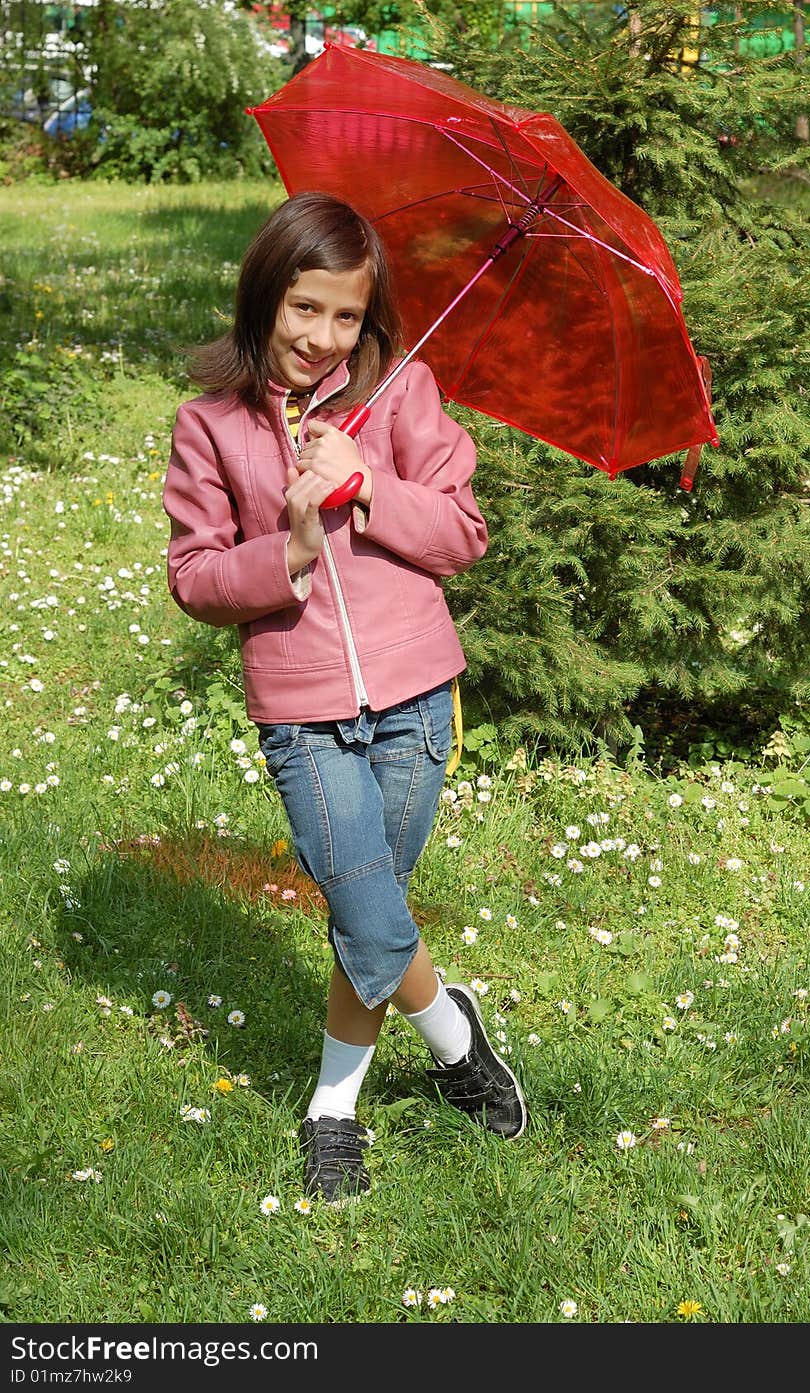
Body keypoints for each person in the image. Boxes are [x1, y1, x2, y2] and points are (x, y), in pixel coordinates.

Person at [162, 192, 527, 1204]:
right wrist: (286, 549)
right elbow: (194, 578)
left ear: (371, 322)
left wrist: (368, 485)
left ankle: (333, 1110)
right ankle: (449, 1038)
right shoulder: (211, 427)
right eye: (303, 307)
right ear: (264, 295)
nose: (321, 338)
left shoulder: (403, 398)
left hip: (416, 702)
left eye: (347, 318)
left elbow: (462, 534)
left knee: (367, 919)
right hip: (301, 710)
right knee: (368, 912)